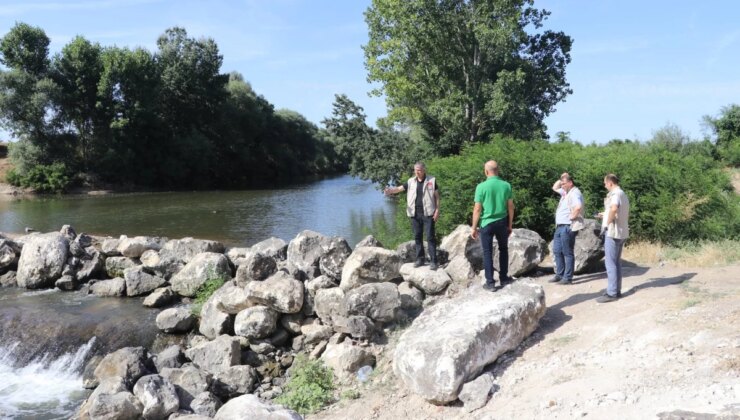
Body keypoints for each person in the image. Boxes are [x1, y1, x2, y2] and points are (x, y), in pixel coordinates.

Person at [384, 162, 441, 270]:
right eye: (415, 170)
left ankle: (434, 261)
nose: (417, 172)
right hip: (415, 214)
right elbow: (400, 189)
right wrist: (390, 191)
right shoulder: (411, 181)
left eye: (419, 170)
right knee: (417, 237)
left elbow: (437, 196)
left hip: (428, 213)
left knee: (430, 237)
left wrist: (437, 210)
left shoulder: (431, 180)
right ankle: (420, 259)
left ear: (424, 170)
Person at [470, 160, 515, 291]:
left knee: (487, 252)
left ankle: (490, 283)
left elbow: (477, 209)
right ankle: (504, 278)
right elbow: (511, 207)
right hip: (502, 222)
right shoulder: (506, 185)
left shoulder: (481, 187)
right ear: (498, 170)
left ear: (486, 171)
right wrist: (510, 224)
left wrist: (473, 227)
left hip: (486, 223)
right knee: (503, 249)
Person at [595, 174, 630, 303]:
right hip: (622, 232)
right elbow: (618, 211)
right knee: (616, 263)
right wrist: (604, 215)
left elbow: (614, 209)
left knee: (610, 263)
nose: (604, 186)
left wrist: (606, 224)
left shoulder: (615, 194)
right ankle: (616, 290)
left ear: (610, 183)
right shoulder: (623, 194)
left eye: (605, 183)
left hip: (613, 233)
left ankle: (611, 293)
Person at [548, 172, 585, 285]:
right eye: (562, 183)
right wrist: (562, 177)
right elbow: (554, 187)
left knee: (567, 252)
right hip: (560, 226)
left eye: (564, 183)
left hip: (567, 226)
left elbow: (578, 206)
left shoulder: (574, 193)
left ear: (570, 183)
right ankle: (560, 274)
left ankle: (567, 278)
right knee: (557, 250)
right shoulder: (566, 192)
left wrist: (571, 217)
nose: (562, 185)